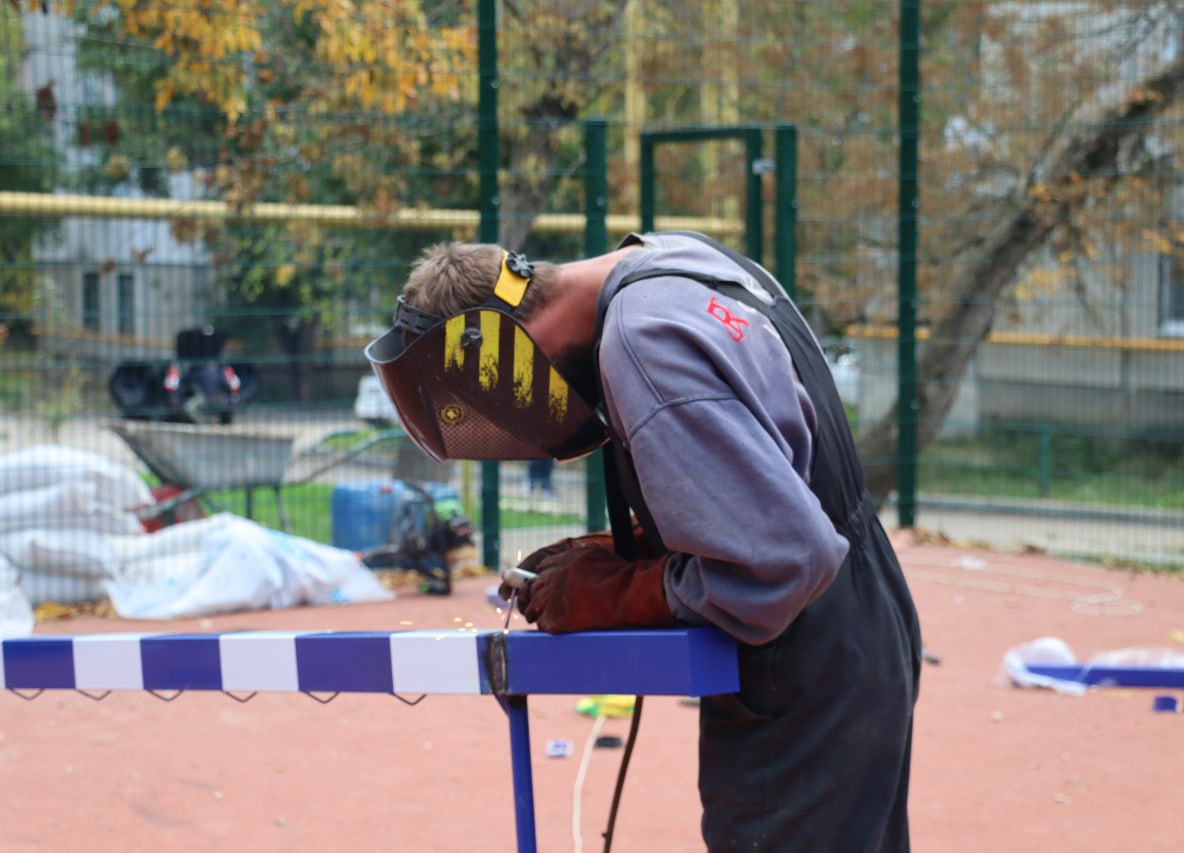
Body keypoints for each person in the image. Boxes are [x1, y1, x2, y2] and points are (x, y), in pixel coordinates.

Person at [367, 232, 922, 852]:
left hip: (802, 662)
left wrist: (616, 592)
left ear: (499, 345)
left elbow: (784, 562)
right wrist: (638, 546)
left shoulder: (640, 339)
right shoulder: (677, 260)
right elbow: (774, 480)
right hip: (863, 624)